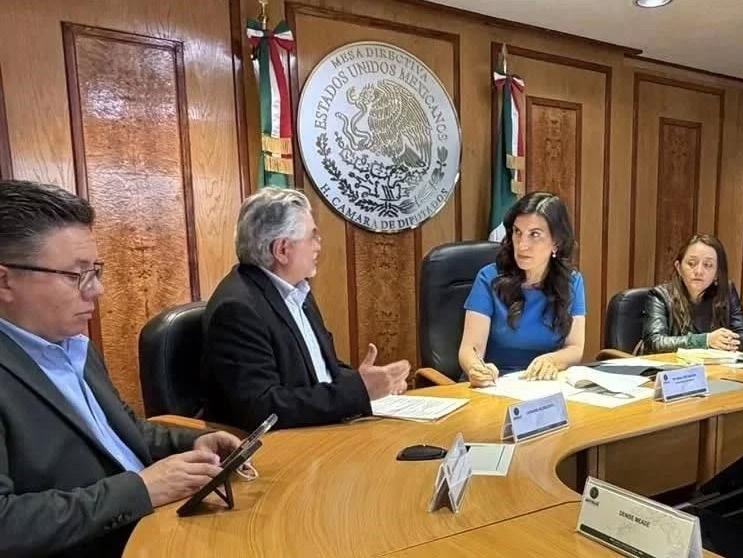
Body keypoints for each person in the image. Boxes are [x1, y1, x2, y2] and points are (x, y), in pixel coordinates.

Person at [0, 180, 241, 557]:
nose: (96, 290)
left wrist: (190, 442)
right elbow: (6, 524)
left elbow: (122, 430)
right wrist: (140, 490)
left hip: (158, 524)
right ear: (5, 281)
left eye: (95, 271)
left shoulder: (72, 344)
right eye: (76, 275)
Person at [203, 188, 410, 430]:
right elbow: (262, 409)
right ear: (282, 250)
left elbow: (323, 369)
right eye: (312, 237)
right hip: (286, 444)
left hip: (322, 427)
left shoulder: (296, 290)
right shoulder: (237, 310)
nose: (318, 246)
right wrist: (358, 391)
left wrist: (373, 382)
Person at [459, 192, 586, 387]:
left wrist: (552, 360)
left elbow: (575, 348)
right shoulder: (489, 278)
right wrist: (476, 369)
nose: (522, 245)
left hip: (545, 385)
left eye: (534, 235)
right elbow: (470, 348)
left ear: (556, 242)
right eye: (517, 232)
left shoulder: (572, 282)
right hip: (495, 385)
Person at [639, 234, 743, 354]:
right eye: (691, 263)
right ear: (679, 268)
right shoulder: (660, 296)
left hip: (714, 363)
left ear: (717, 274)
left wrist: (724, 342)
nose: (699, 271)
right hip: (670, 365)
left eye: (708, 265)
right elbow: (655, 342)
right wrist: (706, 341)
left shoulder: (726, 291)